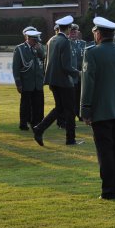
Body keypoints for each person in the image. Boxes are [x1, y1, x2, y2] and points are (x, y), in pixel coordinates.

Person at [81, 17, 115, 200]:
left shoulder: (92, 53)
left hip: (101, 111)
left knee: (105, 152)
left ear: (98, 34)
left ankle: (108, 190)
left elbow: (88, 84)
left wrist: (85, 110)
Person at [33, 15, 83, 146]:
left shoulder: (51, 40)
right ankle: (70, 139)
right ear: (68, 28)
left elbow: (47, 61)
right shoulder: (65, 42)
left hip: (53, 80)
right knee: (70, 110)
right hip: (64, 81)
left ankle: (39, 128)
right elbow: (66, 66)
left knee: (59, 108)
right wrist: (79, 73)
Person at [13, 28, 45, 131]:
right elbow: (16, 67)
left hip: (38, 82)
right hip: (26, 81)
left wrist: (39, 50)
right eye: (34, 40)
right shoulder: (20, 49)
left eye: (37, 40)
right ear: (29, 38)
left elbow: (43, 58)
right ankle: (23, 124)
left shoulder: (39, 47)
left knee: (38, 105)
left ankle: (37, 123)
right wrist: (18, 83)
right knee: (25, 105)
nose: (36, 42)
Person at [70, 23, 87, 121]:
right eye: (71, 32)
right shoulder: (67, 43)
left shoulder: (83, 44)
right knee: (71, 97)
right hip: (71, 75)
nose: (73, 33)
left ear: (78, 32)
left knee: (80, 96)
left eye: (75, 32)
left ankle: (80, 114)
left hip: (81, 75)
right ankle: (71, 115)